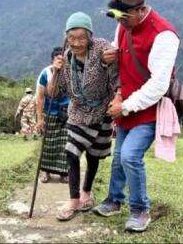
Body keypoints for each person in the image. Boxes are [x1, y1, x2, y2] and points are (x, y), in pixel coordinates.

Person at [93, 0, 180, 233]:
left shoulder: (164, 35)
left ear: (141, 10)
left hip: (148, 108)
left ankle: (141, 209)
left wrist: (126, 105)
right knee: (119, 157)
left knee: (131, 156)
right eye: (117, 18)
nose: (120, 24)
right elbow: (120, 59)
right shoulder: (123, 26)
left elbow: (158, 85)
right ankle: (114, 200)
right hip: (125, 103)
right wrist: (110, 56)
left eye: (124, 17)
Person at [48, 11, 118, 222]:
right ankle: (74, 200)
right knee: (71, 152)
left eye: (81, 38)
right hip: (78, 111)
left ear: (90, 36)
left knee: (93, 155)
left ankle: (87, 192)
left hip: (101, 111)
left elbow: (114, 65)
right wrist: (55, 71)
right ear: (66, 38)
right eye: (72, 38)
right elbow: (54, 93)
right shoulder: (65, 58)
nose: (76, 43)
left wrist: (108, 61)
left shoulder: (101, 48)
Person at [35, 47, 70, 184]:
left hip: (66, 113)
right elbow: (40, 97)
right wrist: (40, 119)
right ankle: (46, 172)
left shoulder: (70, 73)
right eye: (58, 59)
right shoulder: (46, 73)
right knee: (48, 143)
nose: (61, 62)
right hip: (50, 112)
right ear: (52, 60)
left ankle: (64, 173)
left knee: (65, 144)